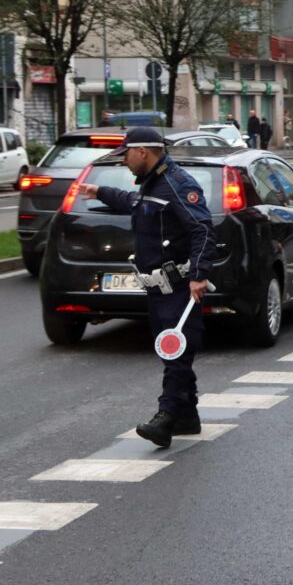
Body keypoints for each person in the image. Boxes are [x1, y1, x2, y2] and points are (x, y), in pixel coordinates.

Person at [75, 127, 215, 447]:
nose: (123, 160)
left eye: (126, 154)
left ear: (142, 152)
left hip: (179, 286)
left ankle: (165, 419)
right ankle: (187, 416)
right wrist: (99, 192)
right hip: (157, 289)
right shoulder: (153, 183)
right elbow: (134, 202)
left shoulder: (178, 184)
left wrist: (198, 274)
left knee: (175, 350)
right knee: (173, 353)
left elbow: (202, 229)